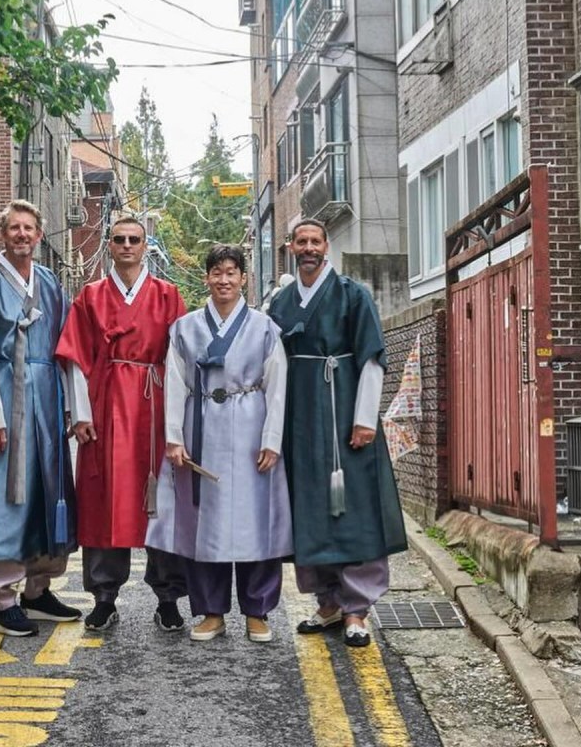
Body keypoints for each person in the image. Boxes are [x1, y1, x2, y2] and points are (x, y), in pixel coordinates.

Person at [268, 219, 406, 647]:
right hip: (299, 420)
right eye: (301, 241)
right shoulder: (282, 302)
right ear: (291, 247)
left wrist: (365, 418)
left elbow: (371, 360)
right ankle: (327, 603)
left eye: (316, 241)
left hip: (344, 411)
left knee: (353, 507)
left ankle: (357, 609)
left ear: (326, 247)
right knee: (309, 507)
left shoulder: (353, 295)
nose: (308, 248)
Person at [146, 245, 293, 643]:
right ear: (206, 278)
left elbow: (277, 387)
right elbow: (174, 384)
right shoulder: (186, 327)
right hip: (202, 425)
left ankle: (257, 610)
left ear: (243, 277)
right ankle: (211, 611)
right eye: (216, 272)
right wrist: (173, 438)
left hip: (251, 426)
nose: (224, 280)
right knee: (203, 523)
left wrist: (272, 439)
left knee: (256, 521)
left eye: (231, 272)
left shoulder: (264, 327)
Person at [56, 216, 188, 632]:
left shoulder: (168, 295)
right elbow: (75, 358)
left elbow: (183, 363)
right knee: (103, 498)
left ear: (145, 246)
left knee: (161, 501)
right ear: (109, 246)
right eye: (119, 239)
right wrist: (80, 414)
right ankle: (104, 596)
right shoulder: (91, 295)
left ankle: (168, 597)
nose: (127, 245)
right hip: (105, 402)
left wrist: (180, 424)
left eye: (135, 239)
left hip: (155, 402)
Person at [0, 199, 79, 638]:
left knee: (46, 493)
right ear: (3, 234)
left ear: (40, 234)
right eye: (14, 228)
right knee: (3, 497)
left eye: (29, 228)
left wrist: (70, 405)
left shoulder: (50, 283)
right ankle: (2, 597)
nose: (22, 235)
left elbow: (67, 350)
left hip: (45, 401)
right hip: (4, 399)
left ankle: (38, 588)